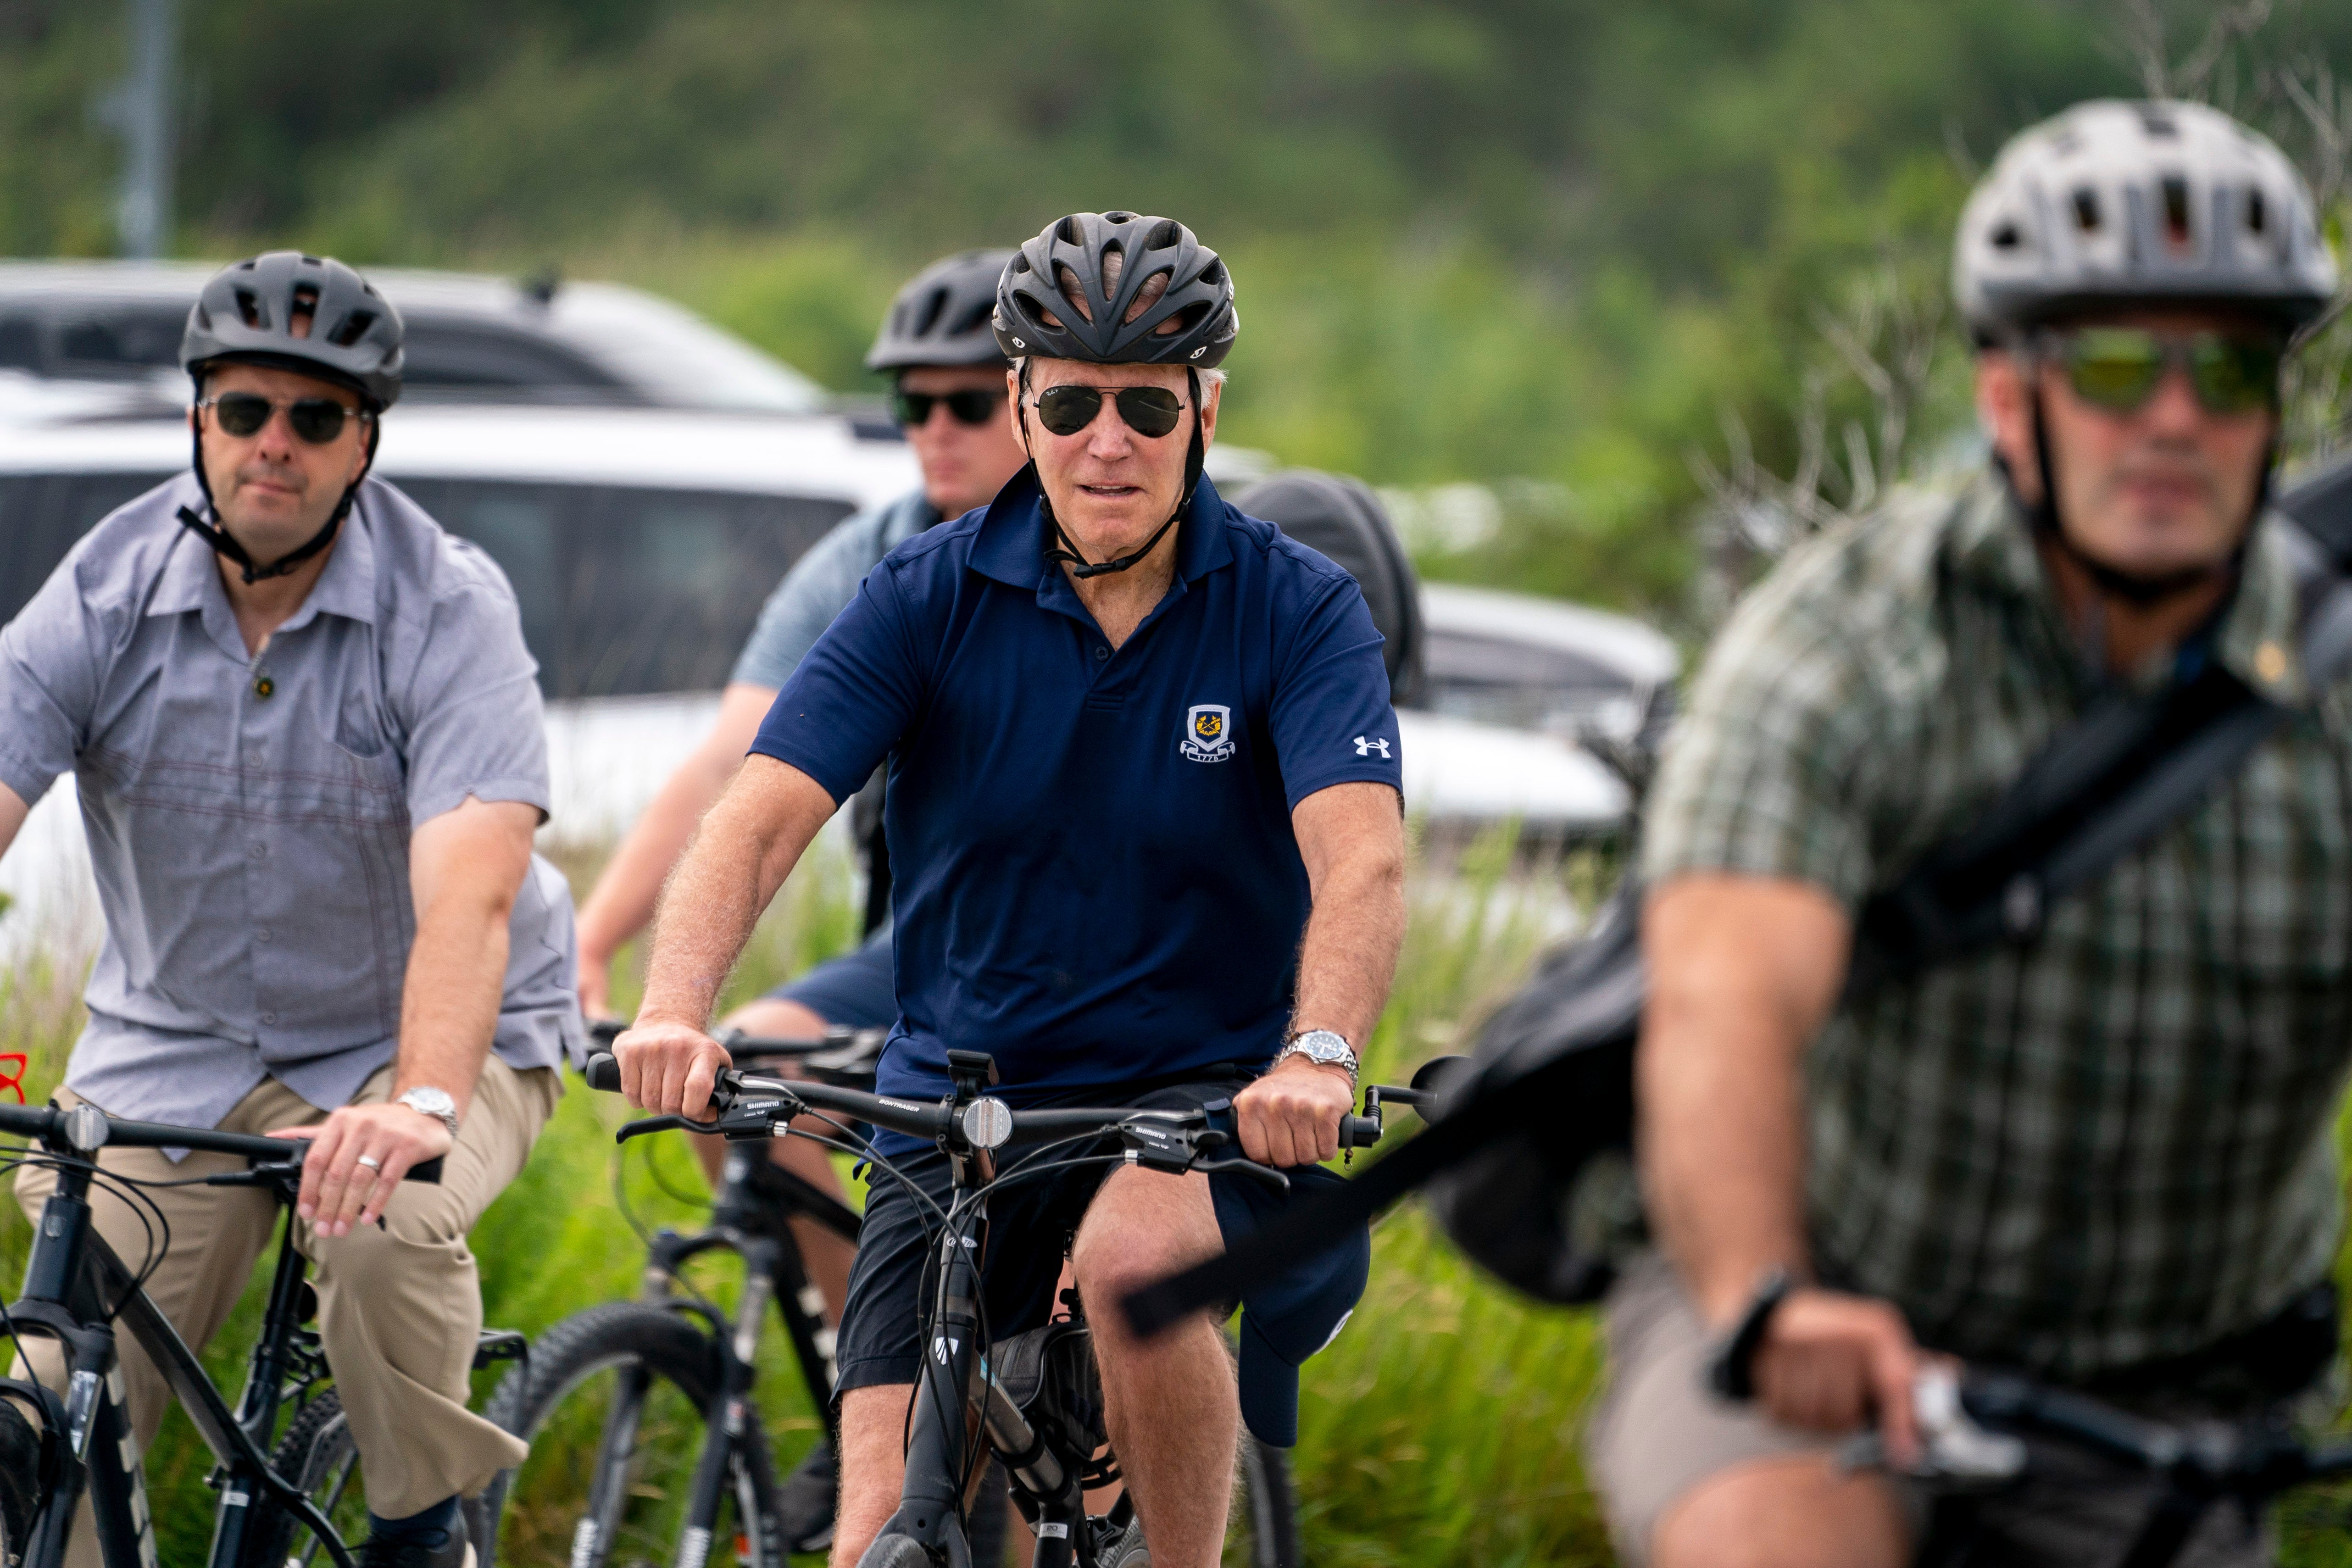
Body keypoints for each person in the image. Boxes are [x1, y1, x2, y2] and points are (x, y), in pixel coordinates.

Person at [1596, 100, 2344, 1568]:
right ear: (2013, 401)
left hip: (2173, 1399)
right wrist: (1766, 1293)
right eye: (2119, 367)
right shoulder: (1850, 645)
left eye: (2228, 369)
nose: (2175, 418)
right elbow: (1723, 1001)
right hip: (1816, 1320)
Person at [612, 211, 1407, 1568]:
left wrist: (1318, 1055)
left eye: (1149, 404)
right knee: (882, 1528)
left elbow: (1364, 858)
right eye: (1075, 401)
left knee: (1139, 1265)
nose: (1111, 441)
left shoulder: (1297, 607)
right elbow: (755, 819)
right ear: (1027, 400)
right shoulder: (924, 595)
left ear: (1206, 409)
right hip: (957, 1104)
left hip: (1199, 1105)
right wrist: (676, 1008)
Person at [1, 252, 582, 1568]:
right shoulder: (100, 594)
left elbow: (472, 900)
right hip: (181, 1042)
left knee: (382, 1228)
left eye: (317, 418)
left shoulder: (447, 607)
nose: (278, 444)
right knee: (46, 1401)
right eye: (245, 411)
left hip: (427, 1033)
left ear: (365, 440)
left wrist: (418, 1102)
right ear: (197, 421)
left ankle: (418, 1526)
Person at [569, 247, 1027, 1550]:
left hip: (1052, 953)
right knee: (738, 1068)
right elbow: (733, 767)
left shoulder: (1085, 559)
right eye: (912, 406)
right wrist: (602, 947)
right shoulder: (877, 557)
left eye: (968, 403)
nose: (935, 432)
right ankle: (865, 1390)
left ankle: (933, 1408)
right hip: (918, 946)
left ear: (1036, 400)